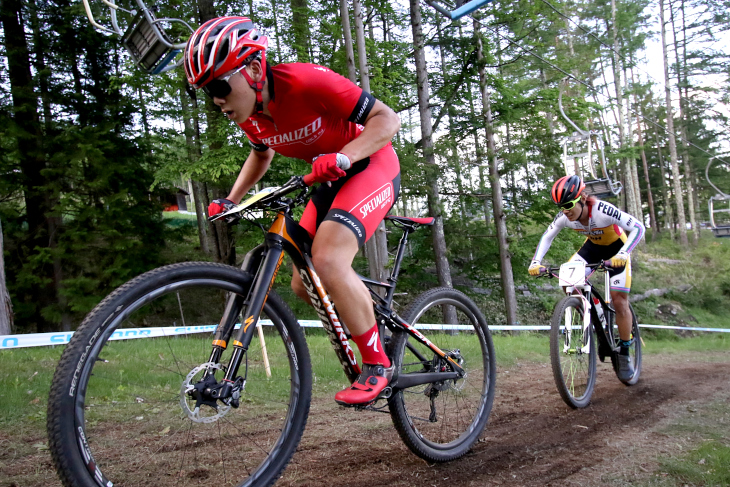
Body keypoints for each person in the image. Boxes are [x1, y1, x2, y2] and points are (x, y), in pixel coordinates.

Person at [184, 16, 401, 405]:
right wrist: (232, 198)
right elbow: (260, 154)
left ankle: (377, 363)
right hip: (328, 177)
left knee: (329, 259)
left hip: (369, 164)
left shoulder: (305, 82)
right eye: (205, 92)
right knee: (305, 283)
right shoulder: (248, 113)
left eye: (218, 85)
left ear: (253, 69)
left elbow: (387, 119)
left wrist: (345, 156)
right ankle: (368, 312)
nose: (216, 100)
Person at [528, 175, 645, 381]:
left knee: (619, 300)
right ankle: (594, 319)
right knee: (568, 282)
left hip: (617, 249)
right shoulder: (564, 216)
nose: (565, 210)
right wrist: (536, 262)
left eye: (568, 204)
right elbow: (547, 236)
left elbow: (638, 227)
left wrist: (623, 254)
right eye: (560, 206)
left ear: (582, 197)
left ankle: (625, 352)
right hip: (593, 249)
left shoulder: (602, 210)